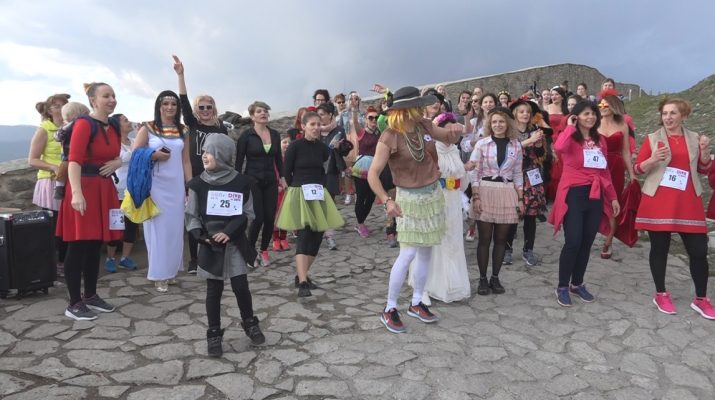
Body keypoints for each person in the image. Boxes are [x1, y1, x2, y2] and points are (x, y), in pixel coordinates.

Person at [367, 86, 463, 333]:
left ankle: (417, 301)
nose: (423, 109)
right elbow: (373, 174)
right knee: (408, 253)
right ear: (405, 110)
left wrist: (456, 130)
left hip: (432, 196)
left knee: (426, 251)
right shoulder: (390, 136)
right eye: (418, 106)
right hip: (408, 199)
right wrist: (387, 201)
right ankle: (389, 307)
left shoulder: (425, 126)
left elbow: (448, 137)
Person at [185, 133, 265, 357]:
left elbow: (248, 213)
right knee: (214, 290)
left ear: (222, 154)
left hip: (235, 242)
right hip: (211, 244)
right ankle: (213, 333)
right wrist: (201, 236)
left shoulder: (241, 182)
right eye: (204, 151)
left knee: (241, 286)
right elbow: (191, 215)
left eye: (210, 152)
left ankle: (250, 323)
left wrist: (229, 232)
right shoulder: (198, 184)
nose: (204, 156)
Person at [634, 98, 714, 319]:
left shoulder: (695, 138)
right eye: (665, 113)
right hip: (659, 201)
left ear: (683, 116)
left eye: (673, 113)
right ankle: (661, 293)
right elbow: (637, 168)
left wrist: (705, 152)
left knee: (699, 251)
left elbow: (704, 168)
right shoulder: (652, 138)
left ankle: (701, 299)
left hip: (688, 201)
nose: (668, 117)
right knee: (660, 249)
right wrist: (652, 160)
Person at [57, 82, 123, 320]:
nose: (112, 99)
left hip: (103, 189)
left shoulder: (113, 125)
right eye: (106, 96)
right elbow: (74, 160)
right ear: (93, 100)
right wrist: (76, 193)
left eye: (113, 95)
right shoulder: (84, 124)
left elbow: (116, 154)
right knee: (78, 245)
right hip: (83, 188)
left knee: (95, 244)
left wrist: (118, 162)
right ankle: (74, 303)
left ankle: (91, 295)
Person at [548, 101, 619, 307]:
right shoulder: (569, 137)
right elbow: (559, 148)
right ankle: (562, 286)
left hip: (595, 193)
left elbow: (604, 170)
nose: (591, 117)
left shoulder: (600, 140)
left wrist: (613, 197)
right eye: (586, 114)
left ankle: (577, 283)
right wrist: (570, 127)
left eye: (593, 113)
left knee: (587, 241)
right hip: (574, 192)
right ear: (576, 116)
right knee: (573, 241)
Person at [276, 111, 345, 297]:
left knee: (316, 238)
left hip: (318, 193)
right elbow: (286, 171)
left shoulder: (322, 148)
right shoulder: (295, 146)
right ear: (304, 126)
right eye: (312, 124)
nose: (316, 128)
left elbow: (324, 168)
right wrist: (295, 189)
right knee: (304, 236)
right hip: (300, 193)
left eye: (318, 124)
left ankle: (302, 275)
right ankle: (303, 282)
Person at [173, 55, 229, 274]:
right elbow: (183, 101)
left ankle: (213, 253)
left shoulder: (221, 129)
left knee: (214, 217)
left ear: (214, 109)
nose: (205, 110)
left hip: (216, 177)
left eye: (209, 107)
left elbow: (226, 155)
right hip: (195, 176)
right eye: (202, 107)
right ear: (197, 110)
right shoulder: (193, 124)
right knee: (194, 217)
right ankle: (194, 259)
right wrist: (181, 75)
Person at [133, 90, 192, 293]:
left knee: (175, 229)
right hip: (155, 185)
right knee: (158, 230)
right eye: (165, 103)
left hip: (176, 186)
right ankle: (158, 274)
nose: (170, 107)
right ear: (159, 106)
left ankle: (171, 271)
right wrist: (154, 154)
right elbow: (135, 153)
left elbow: (186, 160)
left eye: (173, 104)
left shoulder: (183, 130)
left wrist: (190, 185)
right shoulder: (148, 128)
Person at [412, 111, 471, 304]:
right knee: (433, 242)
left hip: (453, 200)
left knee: (452, 240)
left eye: (456, 131)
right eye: (449, 130)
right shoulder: (432, 149)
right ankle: (424, 286)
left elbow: (461, 180)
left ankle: (451, 284)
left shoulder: (454, 150)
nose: (453, 134)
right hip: (436, 198)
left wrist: (466, 171)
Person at [470, 107, 524, 295]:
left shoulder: (516, 145)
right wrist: (476, 196)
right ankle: (482, 279)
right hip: (485, 190)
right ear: (489, 125)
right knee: (484, 239)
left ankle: (495, 277)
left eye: (501, 121)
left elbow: (518, 173)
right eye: (494, 122)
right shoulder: (482, 144)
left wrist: (520, 198)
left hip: (507, 192)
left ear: (507, 124)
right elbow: (475, 172)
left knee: (501, 239)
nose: (498, 125)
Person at [235, 101, 285, 267]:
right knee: (258, 218)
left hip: (271, 180)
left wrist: (282, 177)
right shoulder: (246, 136)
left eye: (265, 111)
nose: (263, 113)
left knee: (270, 218)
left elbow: (278, 159)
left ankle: (264, 250)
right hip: (253, 180)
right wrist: (237, 181)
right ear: (252, 116)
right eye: (259, 111)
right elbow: (239, 160)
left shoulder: (275, 134)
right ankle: (250, 252)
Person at [29, 93, 70, 277]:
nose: (61, 108)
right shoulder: (44, 129)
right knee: (55, 226)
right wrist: (53, 167)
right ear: (49, 111)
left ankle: (67, 261)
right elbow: (33, 160)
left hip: (70, 180)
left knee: (69, 224)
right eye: (57, 106)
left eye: (64, 105)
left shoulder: (72, 127)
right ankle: (57, 265)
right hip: (50, 182)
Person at [505, 99, 549, 266]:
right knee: (513, 215)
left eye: (528, 112)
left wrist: (538, 145)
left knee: (531, 215)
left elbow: (541, 154)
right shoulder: (509, 131)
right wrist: (530, 141)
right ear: (515, 113)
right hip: (513, 175)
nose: (525, 114)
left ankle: (528, 250)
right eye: (522, 111)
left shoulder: (534, 130)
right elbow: (509, 151)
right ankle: (507, 249)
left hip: (531, 175)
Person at [597, 91, 635, 259]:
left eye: (606, 104)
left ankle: (609, 240)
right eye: (600, 104)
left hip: (616, 166)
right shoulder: (594, 123)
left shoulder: (622, 124)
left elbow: (626, 151)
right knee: (596, 200)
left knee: (614, 203)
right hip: (597, 165)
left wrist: (632, 174)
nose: (602, 107)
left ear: (613, 106)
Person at [105, 113, 139, 272]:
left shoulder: (133, 141)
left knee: (131, 225)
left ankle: (125, 258)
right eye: (125, 120)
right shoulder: (112, 143)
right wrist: (137, 142)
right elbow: (123, 157)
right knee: (116, 225)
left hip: (132, 190)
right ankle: (110, 258)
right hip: (116, 190)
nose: (129, 122)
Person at [462, 93, 497, 241]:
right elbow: (464, 145)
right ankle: (472, 228)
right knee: (475, 197)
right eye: (485, 102)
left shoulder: (500, 121)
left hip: (496, 165)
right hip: (478, 164)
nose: (488, 104)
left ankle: (494, 227)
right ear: (481, 105)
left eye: (491, 102)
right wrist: (476, 142)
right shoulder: (474, 122)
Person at [317, 102, 348, 250]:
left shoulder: (339, 130)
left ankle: (329, 236)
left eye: (322, 114)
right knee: (316, 203)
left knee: (329, 203)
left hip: (331, 170)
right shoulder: (314, 129)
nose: (320, 117)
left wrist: (340, 147)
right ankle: (316, 233)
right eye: (318, 115)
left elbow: (344, 151)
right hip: (315, 171)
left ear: (330, 115)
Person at [350, 106, 381, 238]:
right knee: (361, 196)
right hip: (362, 167)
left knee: (371, 197)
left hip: (376, 168)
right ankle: (360, 223)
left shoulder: (381, 133)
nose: (374, 120)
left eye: (376, 117)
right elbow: (355, 122)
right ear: (366, 120)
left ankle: (360, 222)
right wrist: (354, 109)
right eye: (371, 118)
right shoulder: (362, 132)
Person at [545, 86, 569, 201]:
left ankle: (563, 192)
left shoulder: (566, 110)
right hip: (550, 139)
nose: (553, 97)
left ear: (562, 96)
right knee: (552, 166)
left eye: (556, 94)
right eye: (552, 94)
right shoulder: (547, 108)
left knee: (563, 166)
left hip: (563, 140)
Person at [272, 133, 292, 251]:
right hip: (277, 190)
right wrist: (276, 185)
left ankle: (283, 238)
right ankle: (275, 239)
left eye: (289, 142)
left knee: (285, 214)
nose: (287, 144)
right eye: (284, 142)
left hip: (288, 190)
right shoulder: (274, 159)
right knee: (276, 215)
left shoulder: (291, 158)